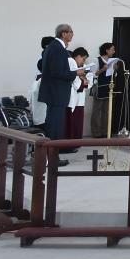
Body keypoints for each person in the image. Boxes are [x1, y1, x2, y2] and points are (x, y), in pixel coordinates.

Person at [38, 24, 76, 163]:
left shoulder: (53, 47)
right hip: (56, 92)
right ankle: (52, 158)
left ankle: (51, 156)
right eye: (71, 32)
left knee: (53, 125)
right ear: (64, 33)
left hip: (54, 92)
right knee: (55, 127)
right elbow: (58, 72)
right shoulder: (58, 49)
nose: (73, 34)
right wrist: (76, 73)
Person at [90, 42, 117, 138]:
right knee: (97, 111)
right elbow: (92, 75)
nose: (114, 51)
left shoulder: (112, 61)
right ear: (106, 50)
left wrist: (115, 69)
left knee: (107, 111)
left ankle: (105, 131)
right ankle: (96, 132)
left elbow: (113, 76)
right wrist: (102, 69)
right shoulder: (96, 60)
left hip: (109, 88)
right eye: (112, 49)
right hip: (99, 87)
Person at [65, 47, 90, 141]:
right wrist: (82, 79)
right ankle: (70, 144)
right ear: (78, 56)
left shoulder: (83, 67)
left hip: (80, 100)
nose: (83, 62)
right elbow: (76, 84)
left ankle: (76, 142)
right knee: (71, 123)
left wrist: (84, 79)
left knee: (77, 122)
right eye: (83, 59)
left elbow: (88, 83)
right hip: (71, 99)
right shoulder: (71, 63)